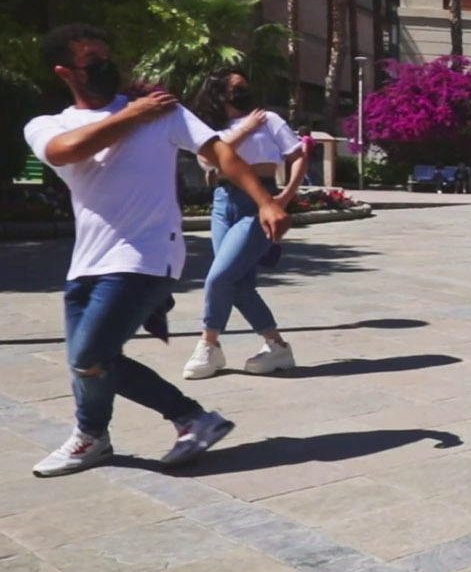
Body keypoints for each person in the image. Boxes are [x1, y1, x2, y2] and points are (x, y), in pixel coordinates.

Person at [23, 24, 286, 477]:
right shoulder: (50, 125)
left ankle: (190, 418)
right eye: (92, 60)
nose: (106, 66)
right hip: (87, 261)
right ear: (65, 72)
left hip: (147, 254)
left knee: (89, 357)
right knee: (88, 360)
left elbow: (221, 153)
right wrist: (133, 115)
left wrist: (266, 201)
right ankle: (94, 437)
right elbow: (68, 151)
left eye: (107, 55)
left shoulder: (162, 112)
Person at [181, 68, 306, 379]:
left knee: (218, 278)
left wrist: (285, 197)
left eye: (244, 86)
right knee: (238, 284)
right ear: (219, 94)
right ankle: (277, 347)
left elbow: (297, 155)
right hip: (224, 202)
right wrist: (244, 130)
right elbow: (208, 161)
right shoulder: (213, 130)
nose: (243, 92)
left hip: (260, 201)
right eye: (236, 88)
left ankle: (209, 344)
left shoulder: (268, 119)